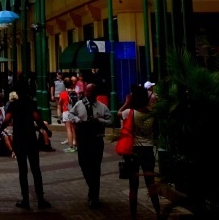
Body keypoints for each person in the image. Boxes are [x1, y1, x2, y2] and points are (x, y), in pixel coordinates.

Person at [0, 79, 51, 210]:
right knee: (36, 170)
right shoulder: (30, 103)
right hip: (31, 138)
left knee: (23, 171)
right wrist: (46, 129)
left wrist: (0, 130)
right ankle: (40, 199)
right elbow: (37, 118)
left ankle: (25, 199)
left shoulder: (13, 105)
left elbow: (7, 119)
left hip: (19, 139)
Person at [118, 86, 161, 219]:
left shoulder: (129, 112)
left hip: (134, 150)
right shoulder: (151, 114)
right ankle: (158, 212)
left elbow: (119, 113)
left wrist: (126, 102)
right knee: (151, 183)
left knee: (133, 186)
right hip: (148, 150)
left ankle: (133, 215)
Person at [69, 82, 111, 209]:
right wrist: (77, 120)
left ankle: (94, 196)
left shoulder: (102, 107)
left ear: (95, 93)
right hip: (83, 139)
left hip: (96, 140)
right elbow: (70, 114)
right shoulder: (79, 104)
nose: (89, 94)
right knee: (84, 164)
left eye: (91, 92)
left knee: (95, 167)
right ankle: (92, 187)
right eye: (87, 92)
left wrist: (99, 120)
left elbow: (110, 121)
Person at [59, 78, 78, 152]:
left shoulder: (63, 94)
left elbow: (60, 104)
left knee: (68, 130)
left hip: (66, 112)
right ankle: (76, 145)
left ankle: (71, 146)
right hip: (74, 112)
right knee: (74, 129)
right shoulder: (76, 93)